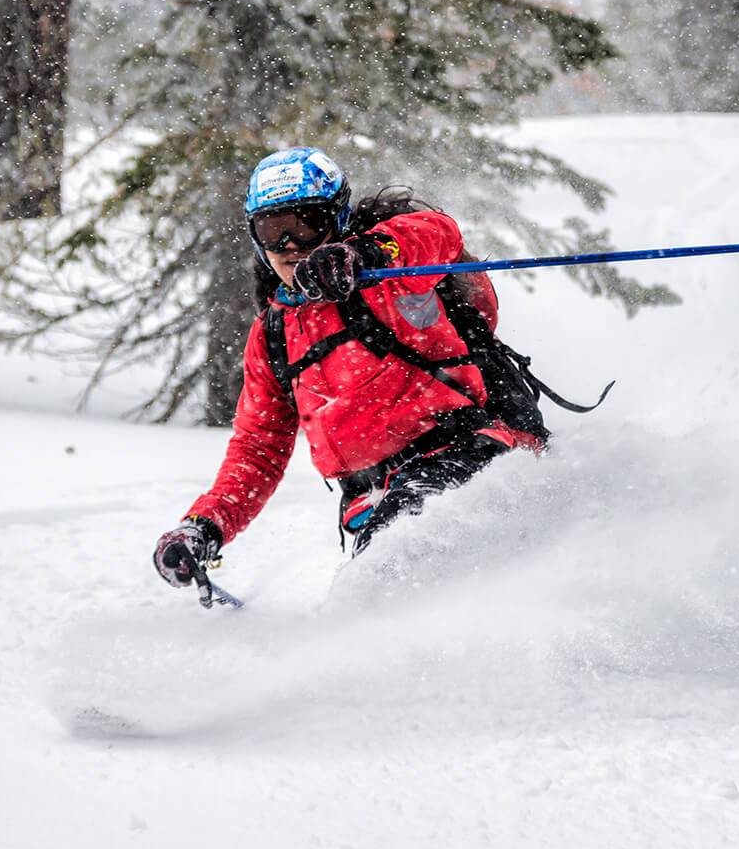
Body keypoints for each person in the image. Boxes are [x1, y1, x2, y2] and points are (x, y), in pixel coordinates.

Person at [153, 146, 544, 591]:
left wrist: (364, 254)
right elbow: (258, 449)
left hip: (463, 455)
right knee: (393, 593)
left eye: (306, 225)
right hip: (369, 500)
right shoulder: (274, 334)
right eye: (273, 230)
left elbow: (439, 233)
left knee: (386, 578)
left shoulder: (392, 273)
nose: (291, 247)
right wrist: (205, 526)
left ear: (337, 218)